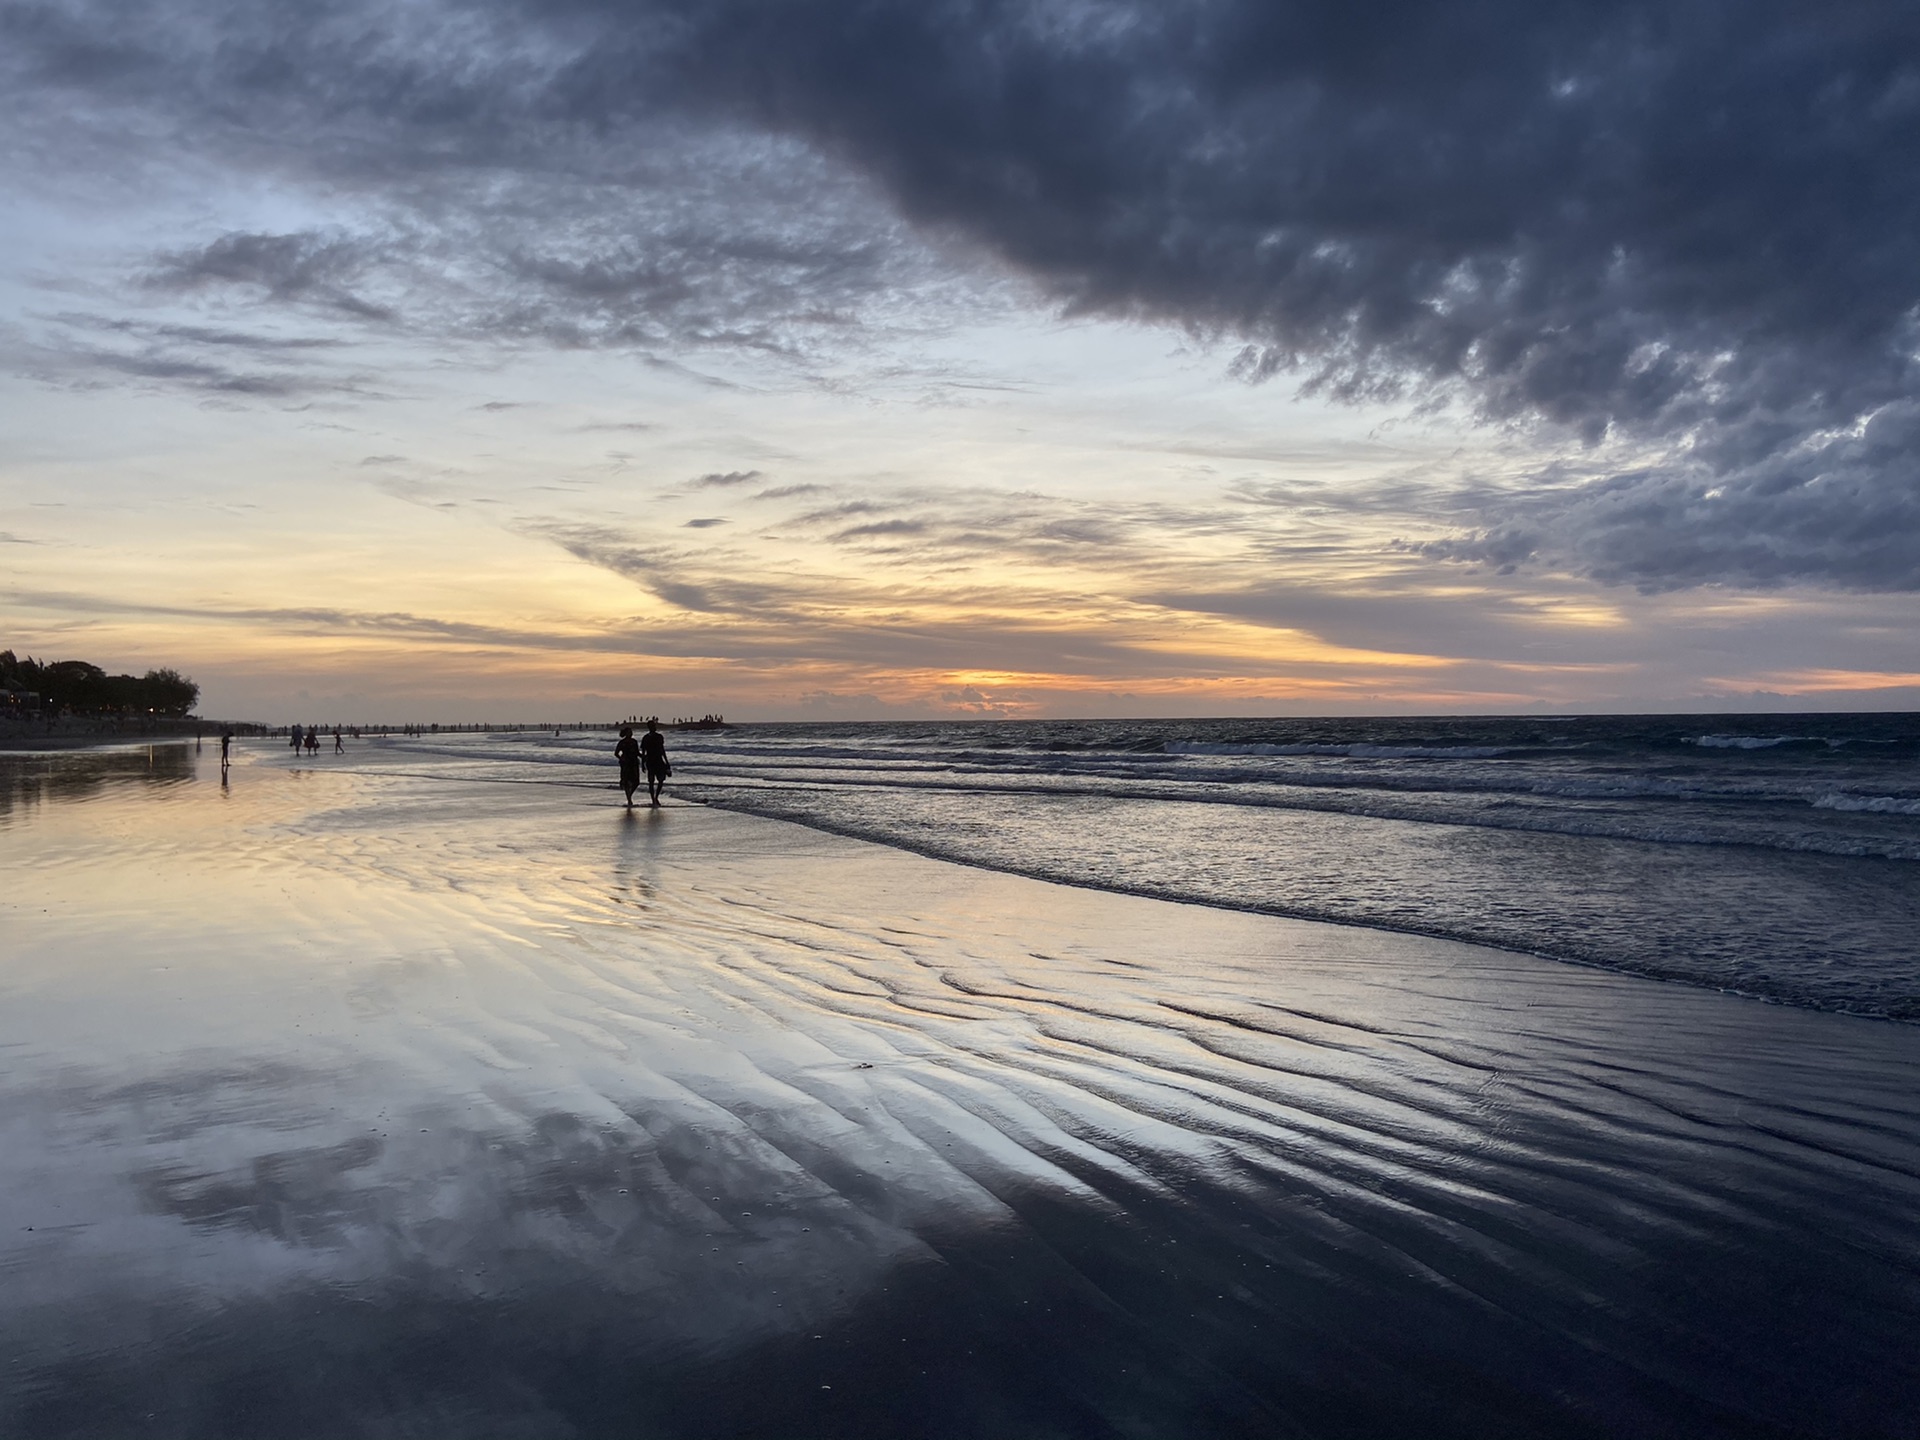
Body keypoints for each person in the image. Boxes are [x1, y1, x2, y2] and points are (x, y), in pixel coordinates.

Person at [640, 719, 670, 807]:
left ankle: (656, 797)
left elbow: (662, 749)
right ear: (649, 727)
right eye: (652, 726)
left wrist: (666, 761)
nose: (654, 727)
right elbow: (643, 752)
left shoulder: (659, 736)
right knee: (651, 781)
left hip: (659, 760)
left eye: (655, 726)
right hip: (650, 761)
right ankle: (653, 799)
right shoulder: (645, 738)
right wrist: (642, 764)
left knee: (661, 780)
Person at [613, 725, 641, 808]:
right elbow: (616, 753)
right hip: (625, 764)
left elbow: (637, 752)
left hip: (634, 762)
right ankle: (629, 800)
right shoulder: (622, 743)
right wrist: (621, 758)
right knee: (626, 781)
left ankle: (629, 796)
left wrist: (644, 756)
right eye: (629, 732)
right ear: (626, 733)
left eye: (631, 732)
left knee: (636, 782)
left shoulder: (634, 742)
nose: (631, 733)